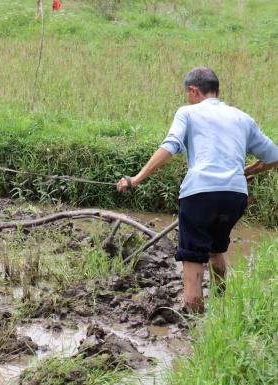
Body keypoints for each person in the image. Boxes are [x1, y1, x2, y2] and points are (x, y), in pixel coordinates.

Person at [116, 67, 278, 313]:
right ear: (217, 90)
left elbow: (170, 146)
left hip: (199, 194)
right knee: (216, 249)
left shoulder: (188, 113)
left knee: (192, 262)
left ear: (193, 91)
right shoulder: (242, 117)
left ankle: (194, 327)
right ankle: (222, 308)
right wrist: (249, 171)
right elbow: (274, 156)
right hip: (235, 196)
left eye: (188, 93)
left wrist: (135, 179)